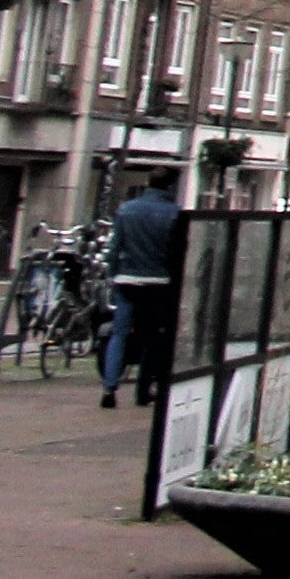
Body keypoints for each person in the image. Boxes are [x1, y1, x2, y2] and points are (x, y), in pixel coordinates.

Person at [97, 166, 182, 411]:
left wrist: (113, 275)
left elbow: (115, 248)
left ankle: (109, 388)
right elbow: (176, 251)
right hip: (158, 282)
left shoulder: (127, 210)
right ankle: (144, 391)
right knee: (153, 337)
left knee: (119, 334)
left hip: (127, 280)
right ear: (170, 186)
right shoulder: (174, 213)